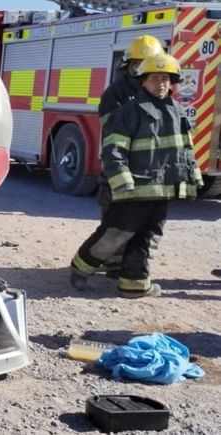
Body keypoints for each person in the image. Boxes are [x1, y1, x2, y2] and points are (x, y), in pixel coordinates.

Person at [70, 52, 204, 298]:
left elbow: (185, 149)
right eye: (155, 78)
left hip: (162, 189)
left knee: (147, 237)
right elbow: (113, 152)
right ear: (143, 81)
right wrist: (123, 184)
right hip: (135, 189)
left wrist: (192, 178)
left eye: (165, 79)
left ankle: (134, 284)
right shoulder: (129, 112)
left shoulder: (177, 111)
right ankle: (81, 268)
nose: (161, 84)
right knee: (116, 232)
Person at [96, 35, 165, 276]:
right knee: (116, 219)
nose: (141, 68)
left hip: (150, 171)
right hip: (120, 168)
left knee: (147, 223)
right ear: (128, 65)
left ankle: (136, 264)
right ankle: (114, 264)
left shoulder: (160, 92)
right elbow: (114, 132)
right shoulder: (115, 93)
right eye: (137, 63)